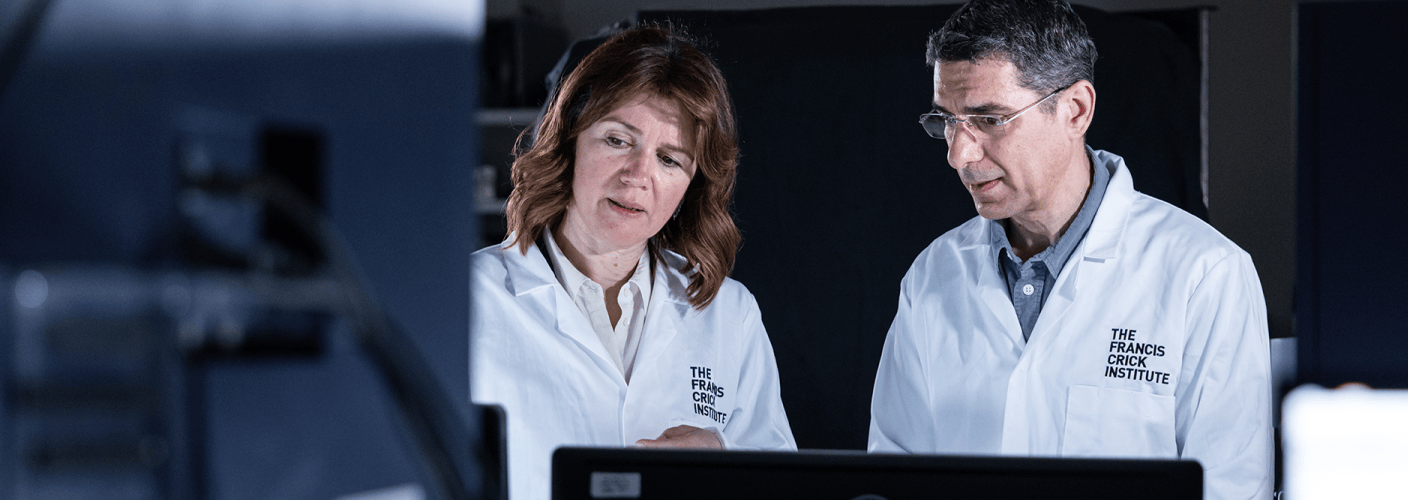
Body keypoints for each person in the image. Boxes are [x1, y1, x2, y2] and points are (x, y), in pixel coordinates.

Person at [866, 1, 1272, 499]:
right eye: (946, 121)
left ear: (1075, 109)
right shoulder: (933, 276)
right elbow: (894, 479)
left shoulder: (1205, 274)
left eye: (989, 119)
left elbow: (1229, 489)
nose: (958, 154)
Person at [470, 25, 796, 500]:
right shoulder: (472, 299)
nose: (638, 176)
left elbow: (783, 480)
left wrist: (724, 454)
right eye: (619, 141)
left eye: (669, 158)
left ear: (692, 185)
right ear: (570, 140)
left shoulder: (730, 313)